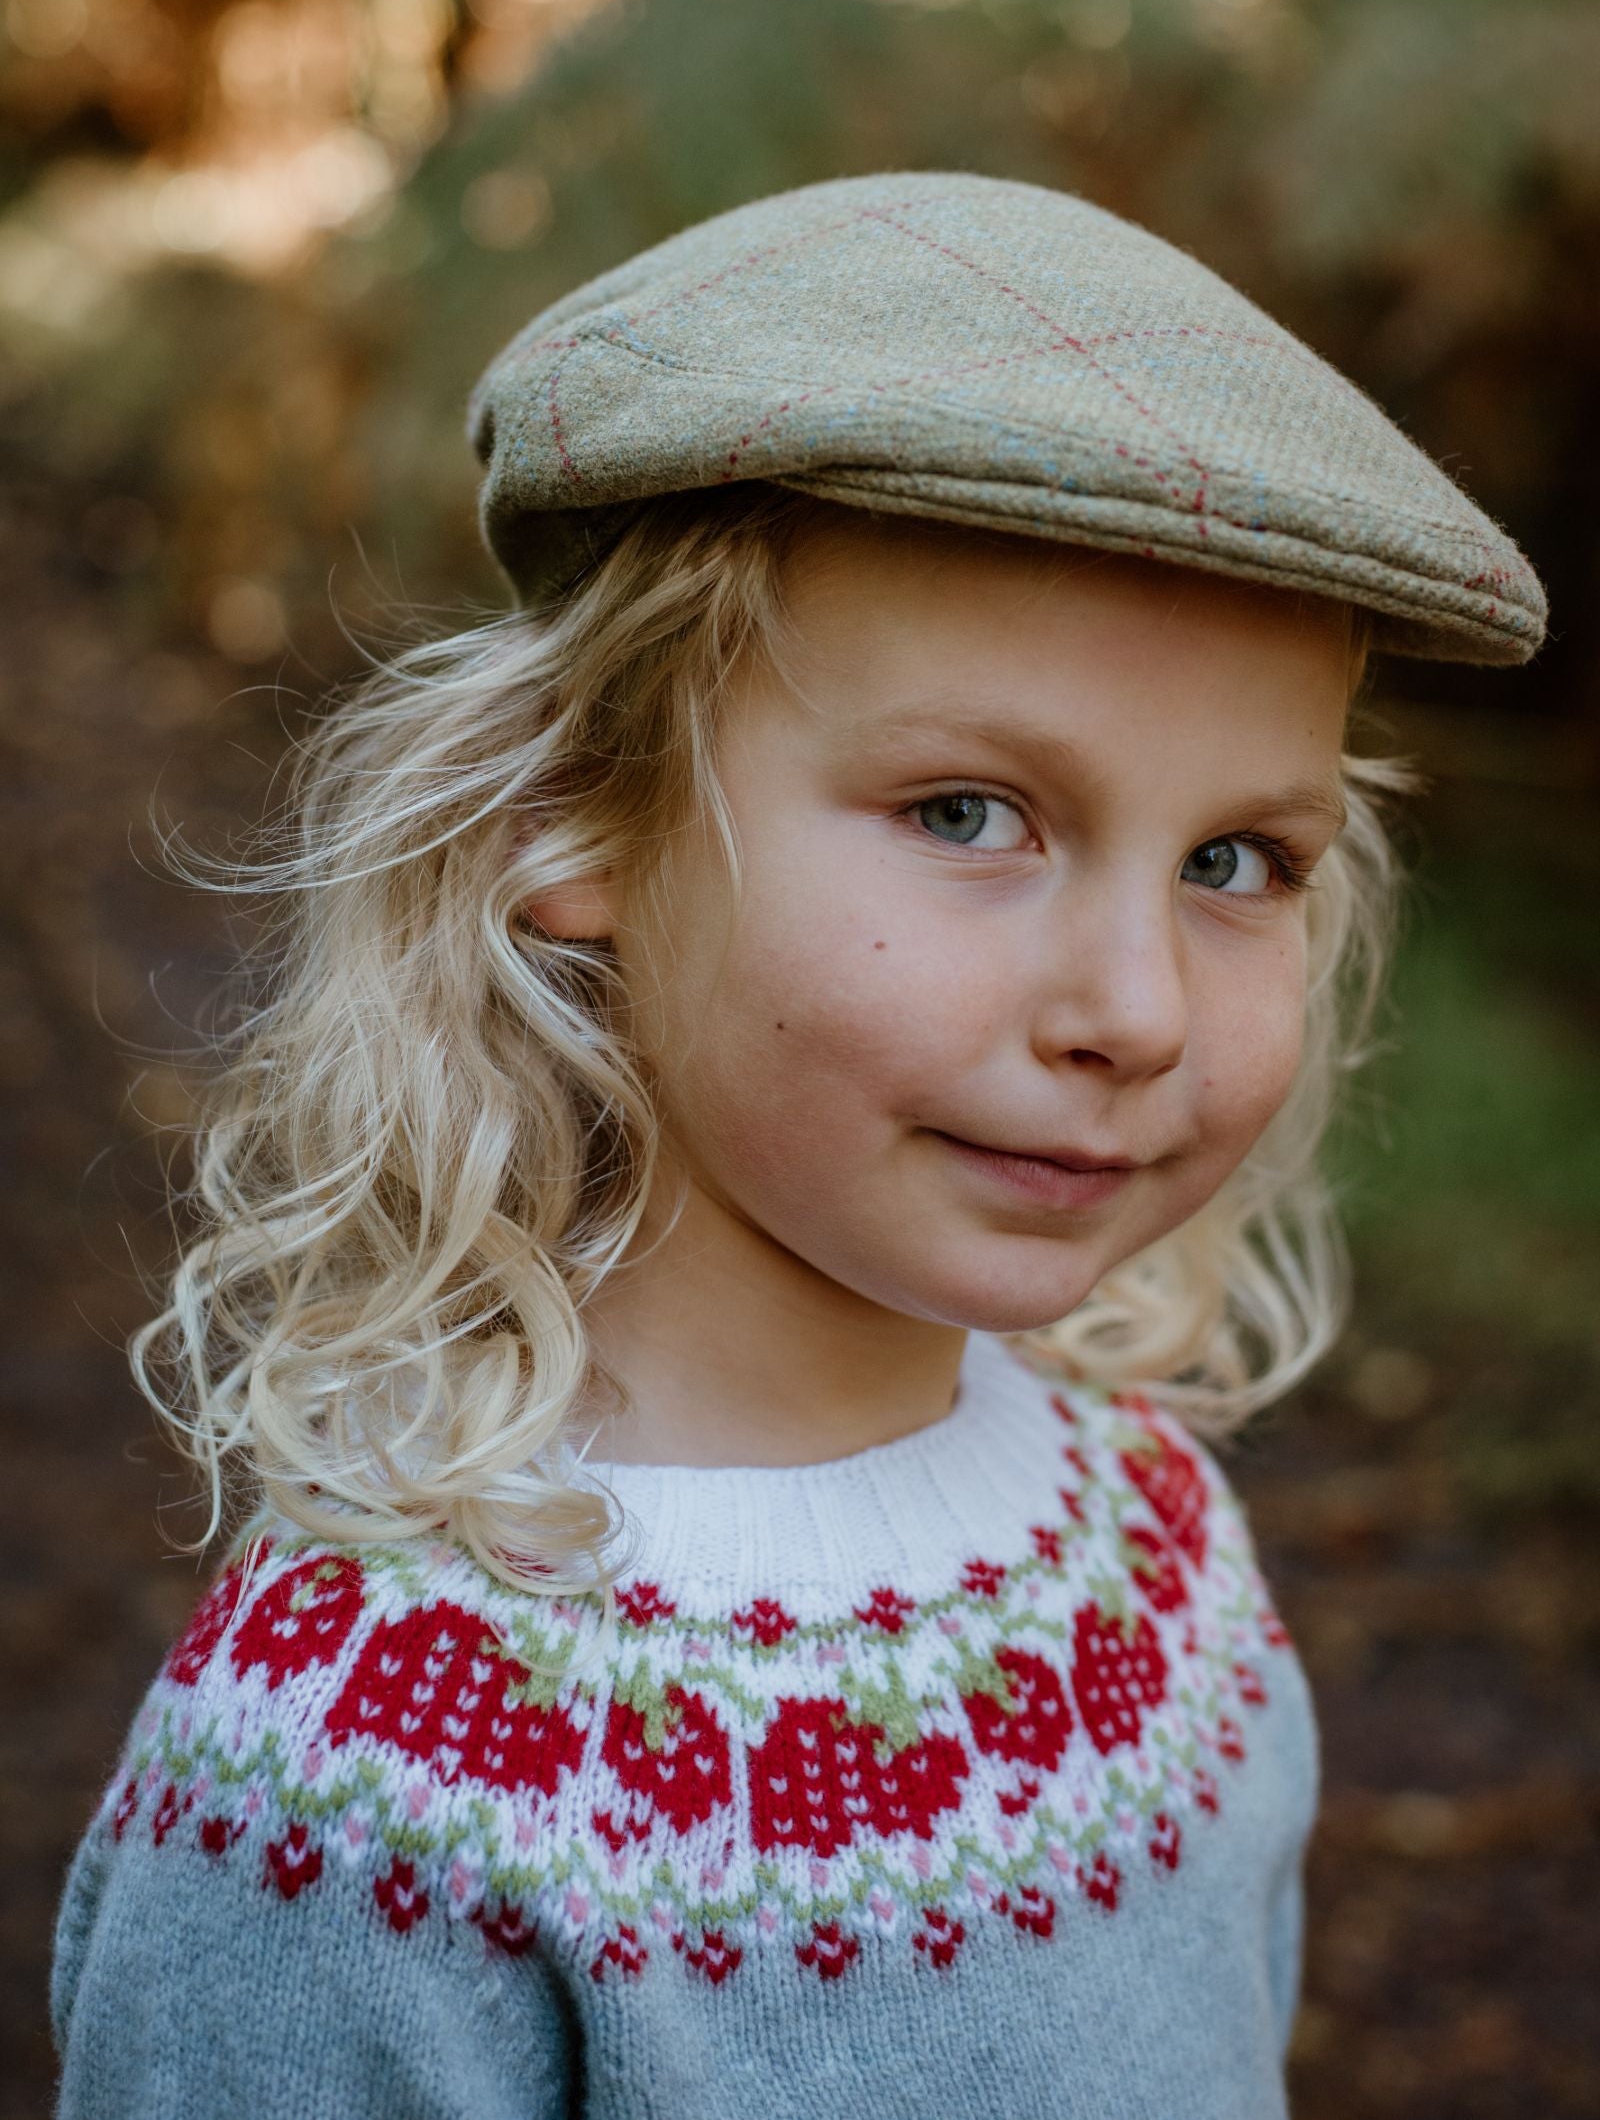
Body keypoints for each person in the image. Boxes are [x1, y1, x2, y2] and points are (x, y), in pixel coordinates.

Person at [48, 171, 1545, 2119]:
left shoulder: (1147, 1538)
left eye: (1231, 860)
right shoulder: (363, 1774)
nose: (1139, 1005)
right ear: (574, 820)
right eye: (964, 813)